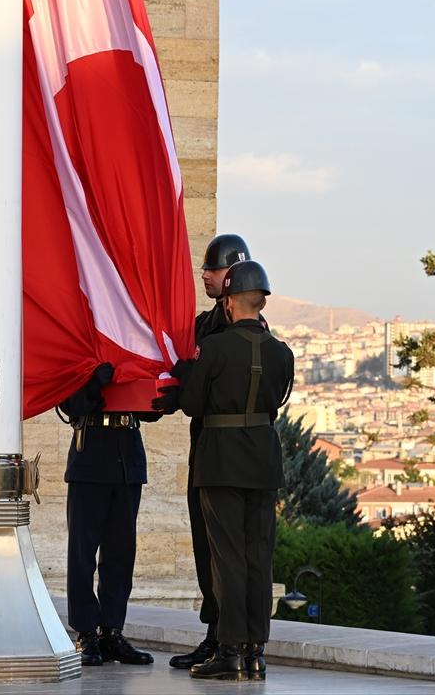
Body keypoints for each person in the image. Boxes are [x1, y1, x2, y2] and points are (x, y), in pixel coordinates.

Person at [176, 260, 294, 682]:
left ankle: (229, 651)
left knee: (227, 558)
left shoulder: (215, 348)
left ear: (228, 303)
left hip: (221, 461)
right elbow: (276, 402)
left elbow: (191, 404)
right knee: (259, 557)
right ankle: (256, 652)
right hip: (263, 460)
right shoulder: (282, 352)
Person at [154, 233, 255, 669]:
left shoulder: (243, 331)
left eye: (212, 269)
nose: (204, 275)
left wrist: (187, 387)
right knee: (205, 546)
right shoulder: (204, 325)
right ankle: (216, 632)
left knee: (230, 551)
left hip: (228, 449)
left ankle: (231, 640)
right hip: (206, 446)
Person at [58, 365, 156, 667]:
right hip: (91, 455)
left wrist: (155, 393)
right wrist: (93, 384)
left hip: (128, 457)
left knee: (121, 553)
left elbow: (151, 412)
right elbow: (69, 405)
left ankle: (112, 631)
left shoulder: (132, 353)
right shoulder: (80, 357)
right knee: (82, 554)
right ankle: (86, 632)